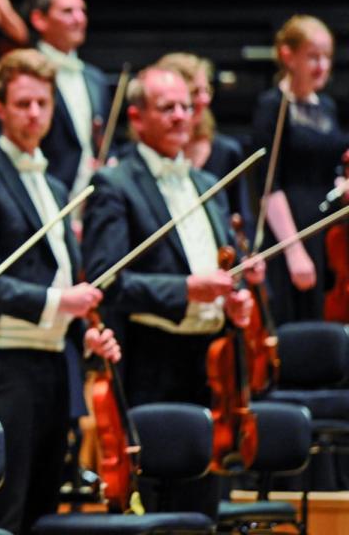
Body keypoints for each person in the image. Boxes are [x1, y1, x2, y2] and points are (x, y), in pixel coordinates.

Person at [0, 49, 119, 534]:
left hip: (53, 364)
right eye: (23, 104)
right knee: (7, 507)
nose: (35, 114)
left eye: (43, 103)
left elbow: (68, 272)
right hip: (6, 367)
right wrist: (58, 303)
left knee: (45, 504)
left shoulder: (58, 186)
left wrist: (83, 329)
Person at [82, 66, 260, 517]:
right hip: (150, 359)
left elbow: (221, 267)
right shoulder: (115, 184)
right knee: (156, 496)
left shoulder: (207, 183)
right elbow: (106, 280)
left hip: (210, 359)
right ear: (137, 117)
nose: (182, 116)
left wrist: (234, 297)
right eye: (167, 108)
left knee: (203, 499)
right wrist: (186, 289)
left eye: (186, 106)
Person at [250, 15, 346, 325]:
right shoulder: (272, 106)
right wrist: (293, 251)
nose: (321, 66)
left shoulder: (326, 107)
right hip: (290, 231)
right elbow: (269, 185)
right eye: (313, 57)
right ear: (287, 56)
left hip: (327, 231)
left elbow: (327, 166)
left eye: (326, 57)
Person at [28, 0, 109, 199]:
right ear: (39, 19)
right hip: (44, 199)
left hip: (93, 204)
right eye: (68, 11)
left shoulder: (95, 78)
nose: (79, 19)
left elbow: (101, 142)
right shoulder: (24, 76)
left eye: (82, 11)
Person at [156, 52, 253, 230]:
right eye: (194, 92)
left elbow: (241, 220)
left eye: (206, 90)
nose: (205, 100)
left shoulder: (227, 152)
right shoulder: (150, 159)